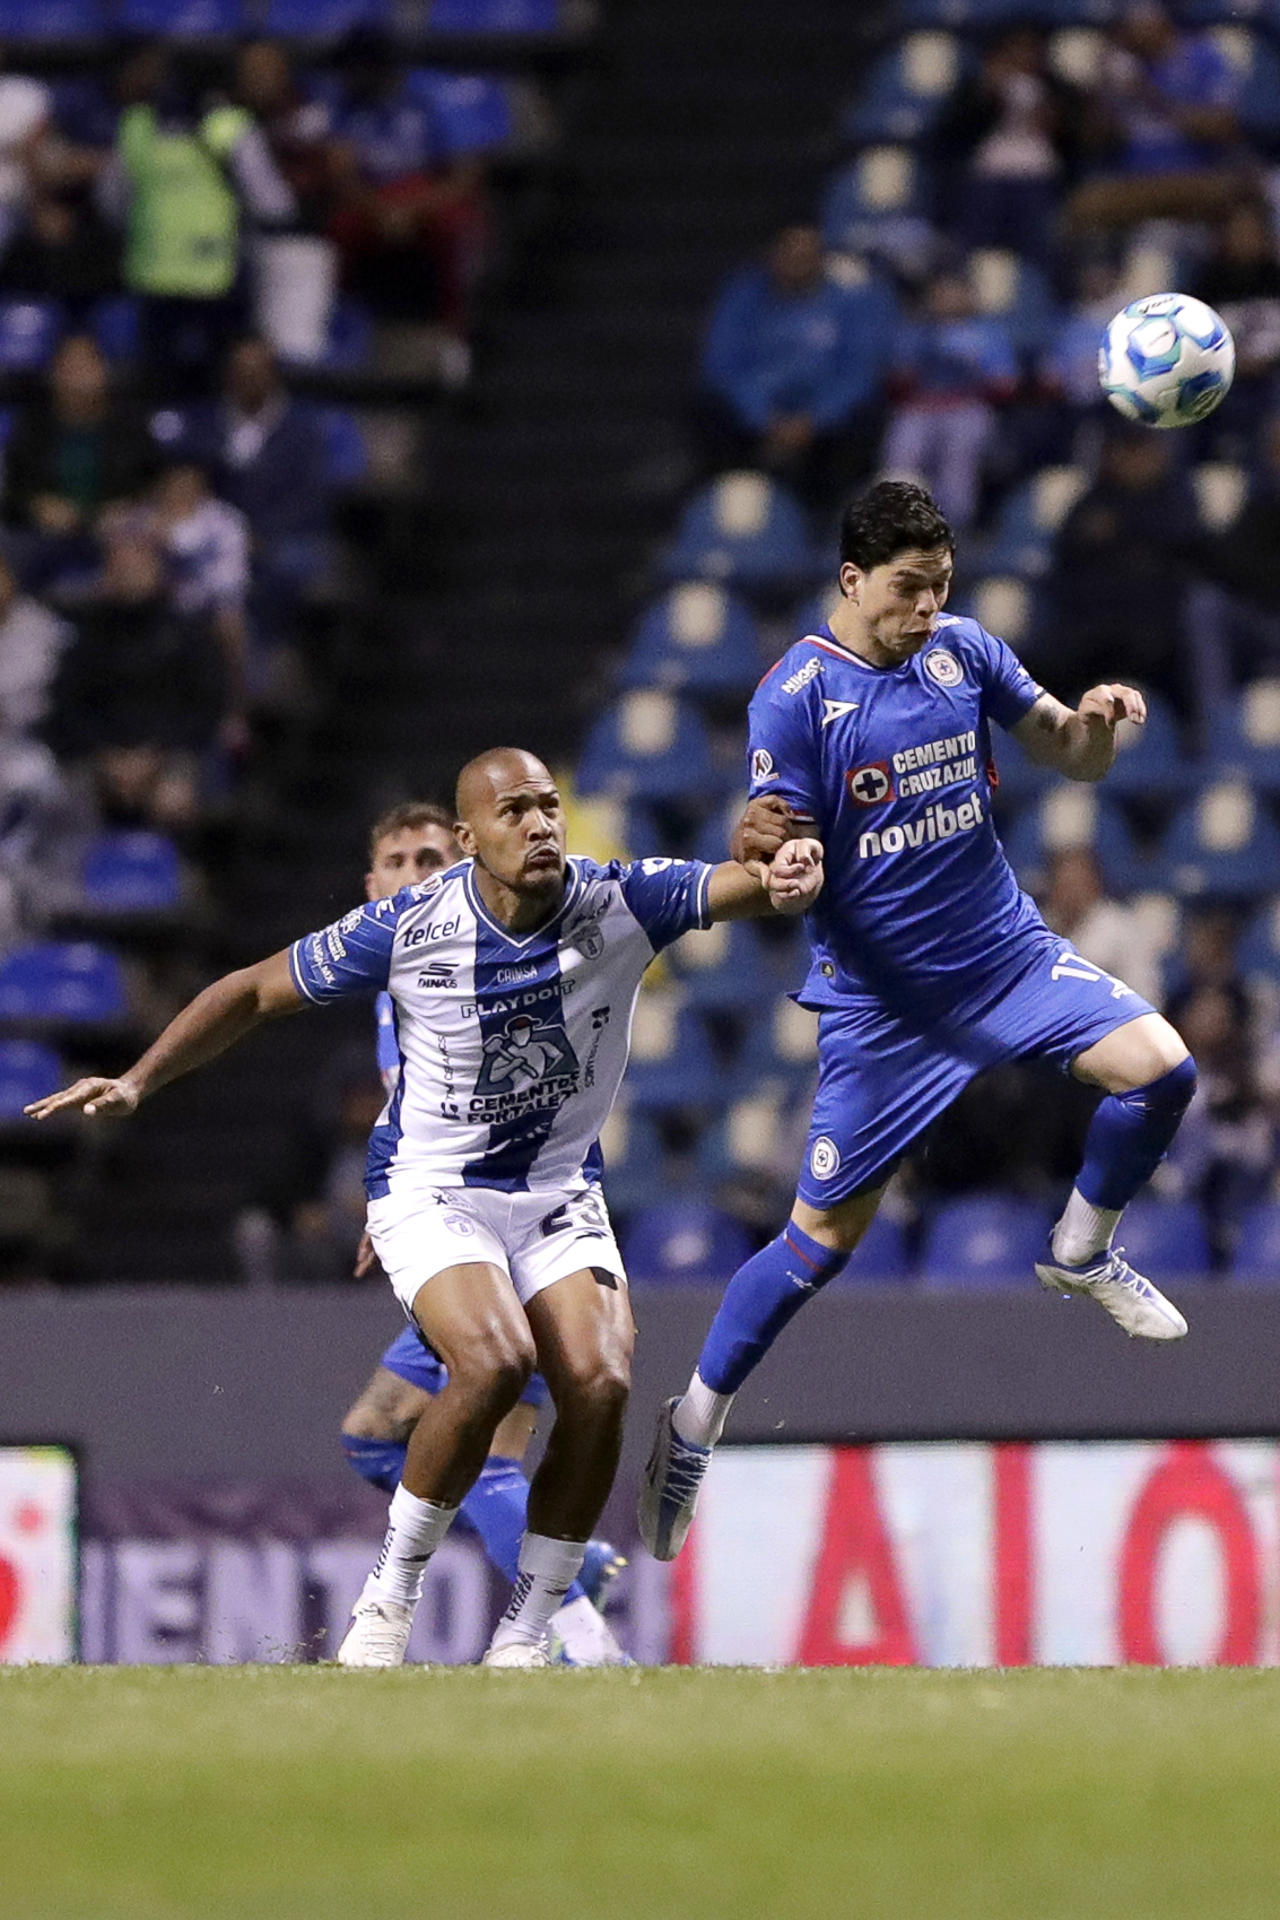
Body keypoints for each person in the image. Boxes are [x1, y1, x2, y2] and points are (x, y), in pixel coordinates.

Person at [27, 747, 823, 1665]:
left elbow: (747, 887)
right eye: (514, 811)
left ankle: (531, 1629)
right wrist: (138, 1080)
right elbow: (250, 990)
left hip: (559, 1191)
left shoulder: (617, 898)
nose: (539, 825)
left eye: (549, 806)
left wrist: (789, 871)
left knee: (601, 1384)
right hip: (432, 1189)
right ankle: (391, 1594)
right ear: (468, 837)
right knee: (490, 1360)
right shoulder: (406, 926)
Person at [638, 479, 1196, 1563]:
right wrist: (778, 853)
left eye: (939, 586)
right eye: (905, 590)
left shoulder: (964, 653)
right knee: (815, 1248)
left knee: (1162, 1072)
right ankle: (694, 1420)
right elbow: (767, 835)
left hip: (1005, 958)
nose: (925, 609)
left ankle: (1080, 1250)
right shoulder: (795, 694)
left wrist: (1095, 726)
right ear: (851, 581)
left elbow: (1061, 750)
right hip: (885, 1013)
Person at [339, 798, 630, 1666]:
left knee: (487, 1439)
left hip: (524, 1223)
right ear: (371, 882)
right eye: (397, 862)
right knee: (377, 1434)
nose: (415, 876)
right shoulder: (392, 968)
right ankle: (570, 1596)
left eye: (432, 858)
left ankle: (574, 1630)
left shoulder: (487, 950)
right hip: (445, 1218)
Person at [698, 223, 895, 504]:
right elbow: (722, 365)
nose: (799, 261)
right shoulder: (742, 295)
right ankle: (717, 508)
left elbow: (860, 370)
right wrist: (763, 417)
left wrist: (815, 420)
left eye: (808, 253)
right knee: (708, 406)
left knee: (868, 413)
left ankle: (830, 519)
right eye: (790, 251)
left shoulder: (853, 299)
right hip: (757, 416)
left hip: (823, 421)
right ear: (772, 254)